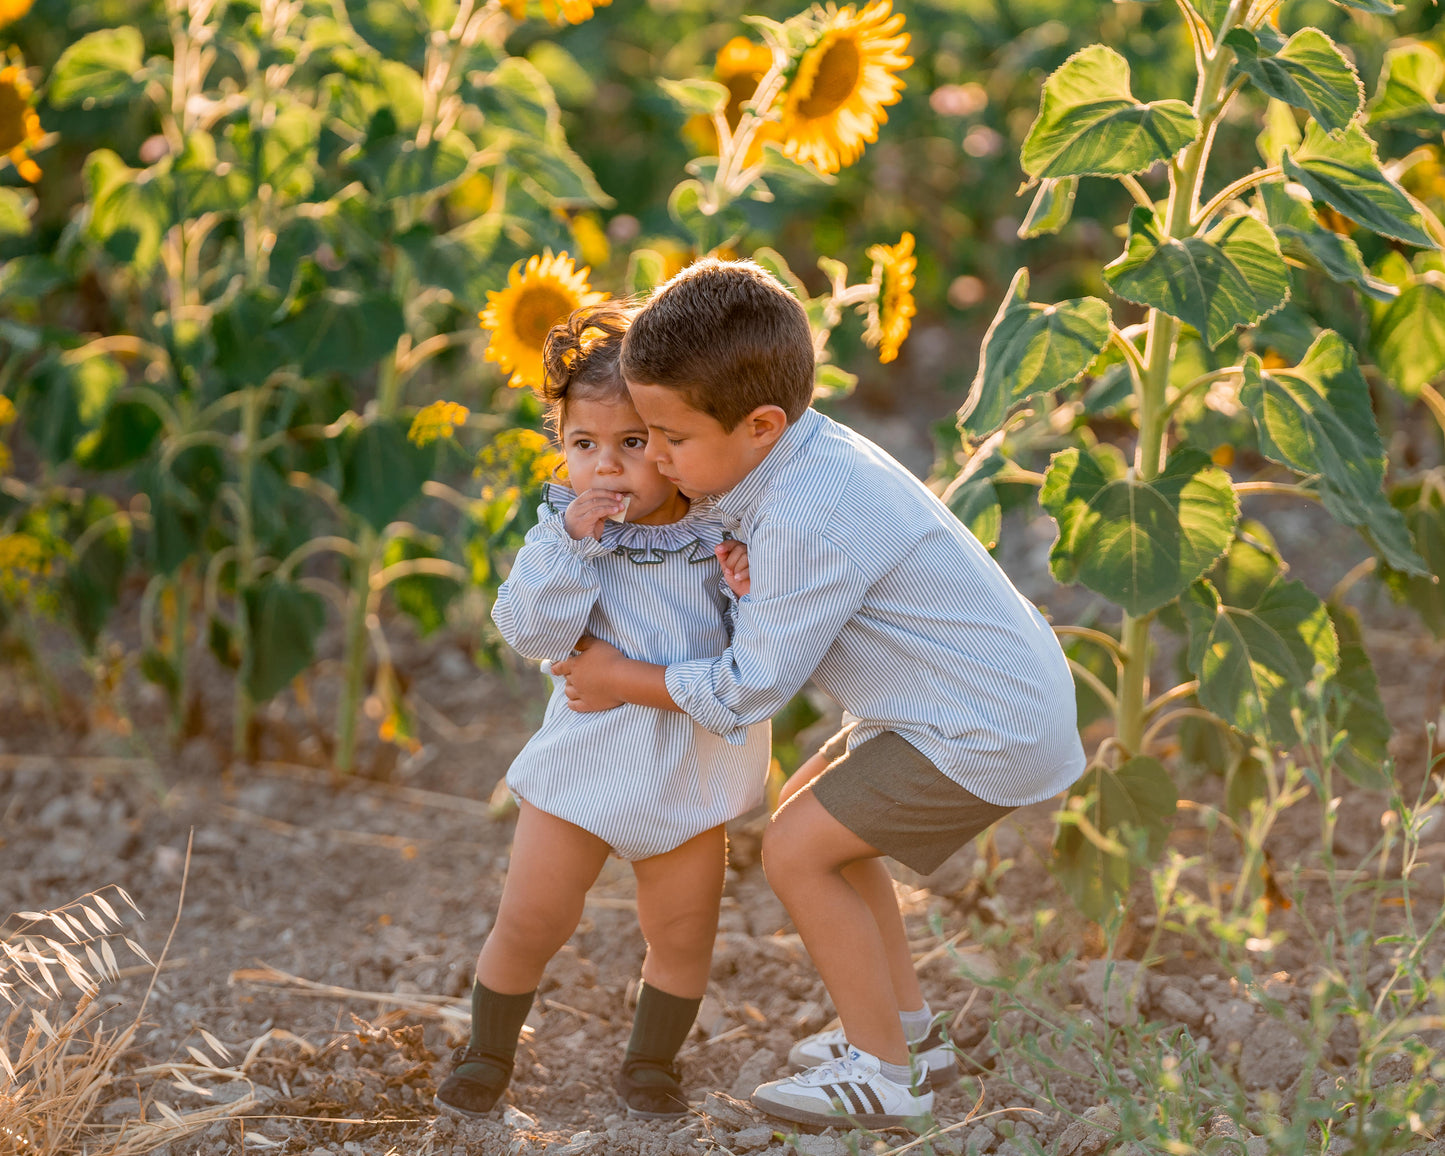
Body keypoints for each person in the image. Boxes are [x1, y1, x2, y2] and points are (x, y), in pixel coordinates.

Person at [552, 259, 1086, 1131]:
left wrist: (620, 678)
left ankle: (883, 1073)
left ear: (758, 424)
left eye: (668, 439)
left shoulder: (804, 512)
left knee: (797, 851)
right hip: (965, 696)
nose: (654, 457)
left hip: (983, 725)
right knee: (815, 815)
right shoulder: (801, 454)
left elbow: (748, 689)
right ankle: (908, 1032)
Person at [434, 302, 770, 1122]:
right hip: (584, 767)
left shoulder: (717, 534)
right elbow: (531, 632)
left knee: (683, 934)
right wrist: (572, 548)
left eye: (631, 444)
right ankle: (487, 1050)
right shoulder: (566, 537)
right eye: (584, 446)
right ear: (561, 451)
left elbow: (757, 653)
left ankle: (650, 1063)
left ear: (672, 441)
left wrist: (746, 583)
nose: (607, 468)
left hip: (686, 774)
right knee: (532, 918)